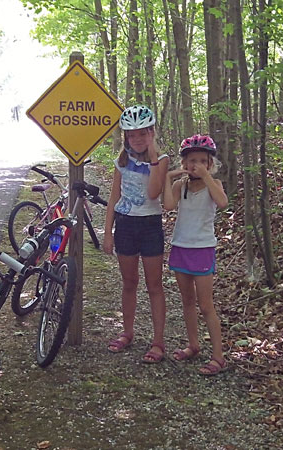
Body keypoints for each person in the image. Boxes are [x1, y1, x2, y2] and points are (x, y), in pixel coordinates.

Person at [103, 105, 169, 363]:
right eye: (132, 135)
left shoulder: (161, 161)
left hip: (150, 225)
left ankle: (158, 341)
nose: (137, 139)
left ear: (151, 133)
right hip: (126, 225)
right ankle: (127, 332)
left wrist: (153, 156)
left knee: (154, 285)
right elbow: (113, 197)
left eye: (143, 133)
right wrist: (108, 232)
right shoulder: (122, 161)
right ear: (126, 137)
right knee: (129, 282)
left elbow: (154, 193)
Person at [163, 134, 229, 375]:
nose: (197, 165)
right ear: (185, 163)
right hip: (181, 247)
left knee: (206, 305)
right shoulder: (181, 186)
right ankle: (193, 344)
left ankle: (218, 356)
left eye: (203, 160)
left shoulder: (215, 185)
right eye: (192, 161)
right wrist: (170, 177)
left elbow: (222, 202)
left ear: (210, 163)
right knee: (187, 301)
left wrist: (206, 176)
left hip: (202, 249)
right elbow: (168, 205)